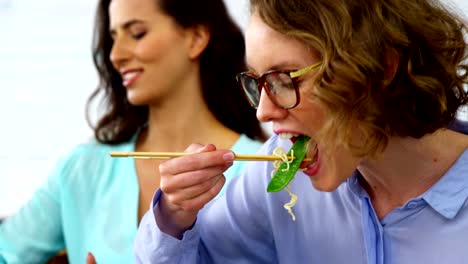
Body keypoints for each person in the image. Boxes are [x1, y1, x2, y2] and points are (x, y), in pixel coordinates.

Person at [134, 0, 468, 263]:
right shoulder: (279, 175)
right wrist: (175, 214)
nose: (264, 111)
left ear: (382, 68)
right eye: (258, 82)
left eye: (284, 79)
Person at [0, 0, 266, 263]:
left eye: (137, 33)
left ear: (196, 37)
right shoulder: (83, 169)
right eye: (113, 37)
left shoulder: (262, 170)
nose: (116, 55)